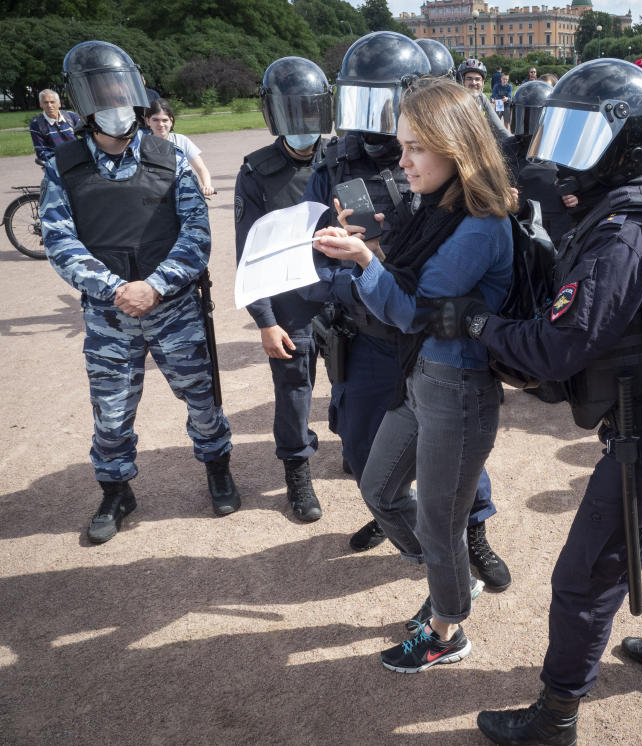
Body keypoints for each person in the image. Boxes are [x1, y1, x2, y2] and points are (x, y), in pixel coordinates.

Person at [428, 58, 642, 744]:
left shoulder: (631, 228)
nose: (563, 158)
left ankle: (556, 715)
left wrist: (477, 325)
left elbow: (559, 346)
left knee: (587, 573)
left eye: (584, 136)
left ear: (627, 142)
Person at [312, 77, 516, 673]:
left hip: (457, 389)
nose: (401, 162)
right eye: (401, 147)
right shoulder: (438, 206)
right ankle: (449, 578)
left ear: (455, 146)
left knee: (441, 521)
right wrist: (368, 244)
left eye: (414, 149)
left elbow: (410, 311)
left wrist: (364, 260)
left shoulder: (478, 222)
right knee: (379, 489)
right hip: (422, 380)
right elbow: (409, 293)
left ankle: (446, 630)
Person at [40, 40, 238, 544]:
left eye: (120, 91)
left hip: (172, 308)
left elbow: (197, 235)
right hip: (109, 316)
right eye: (101, 94)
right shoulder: (62, 167)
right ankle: (115, 490)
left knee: (201, 397)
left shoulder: (168, 157)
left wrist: (154, 286)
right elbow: (60, 242)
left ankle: (217, 468)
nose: (114, 104)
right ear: (83, 102)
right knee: (110, 410)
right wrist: (114, 290)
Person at [234, 56, 334, 522]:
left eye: (311, 114)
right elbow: (248, 256)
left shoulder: (342, 157)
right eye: (293, 115)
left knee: (355, 383)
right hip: (291, 304)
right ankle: (297, 470)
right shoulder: (257, 172)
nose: (303, 126)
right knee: (295, 389)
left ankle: (356, 449)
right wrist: (266, 322)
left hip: (343, 296)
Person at [502, 79, 571, 245]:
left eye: (532, 117)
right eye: (522, 114)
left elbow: (587, 187)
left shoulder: (566, 149)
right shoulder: (504, 148)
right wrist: (497, 194)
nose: (528, 128)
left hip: (554, 235)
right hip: (513, 231)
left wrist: (576, 196)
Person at [144, 99, 215, 196]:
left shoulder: (181, 141)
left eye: (165, 120)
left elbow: (201, 169)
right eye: (155, 120)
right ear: (148, 121)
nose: (160, 124)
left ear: (171, 121)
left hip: (182, 196)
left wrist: (207, 185)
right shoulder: (141, 144)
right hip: (154, 197)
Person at [29, 89, 82, 163]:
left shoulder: (70, 116)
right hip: (58, 163)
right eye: (45, 102)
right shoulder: (36, 124)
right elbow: (41, 152)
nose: (49, 105)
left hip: (80, 158)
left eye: (52, 102)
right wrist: (62, 158)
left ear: (59, 104)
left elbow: (87, 134)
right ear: (41, 104)